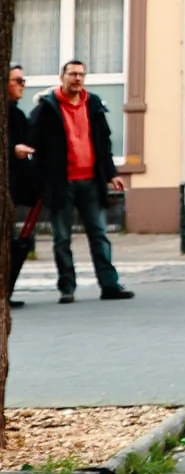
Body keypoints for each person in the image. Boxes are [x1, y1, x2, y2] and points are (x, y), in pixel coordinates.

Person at [29, 60, 132, 304]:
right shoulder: (47, 107)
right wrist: (40, 180)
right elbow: (33, 143)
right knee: (62, 238)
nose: (77, 78)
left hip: (90, 182)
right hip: (61, 184)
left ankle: (109, 285)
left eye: (81, 74)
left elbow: (103, 143)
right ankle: (67, 287)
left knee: (99, 235)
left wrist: (111, 174)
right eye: (73, 74)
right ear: (61, 77)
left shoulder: (93, 104)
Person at [7, 64, 39, 302]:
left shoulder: (17, 113)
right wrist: (12, 150)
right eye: (17, 80)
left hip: (15, 188)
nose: (22, 85)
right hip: (8, 185)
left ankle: (6, 292)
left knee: (13, 242)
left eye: (23, 81)